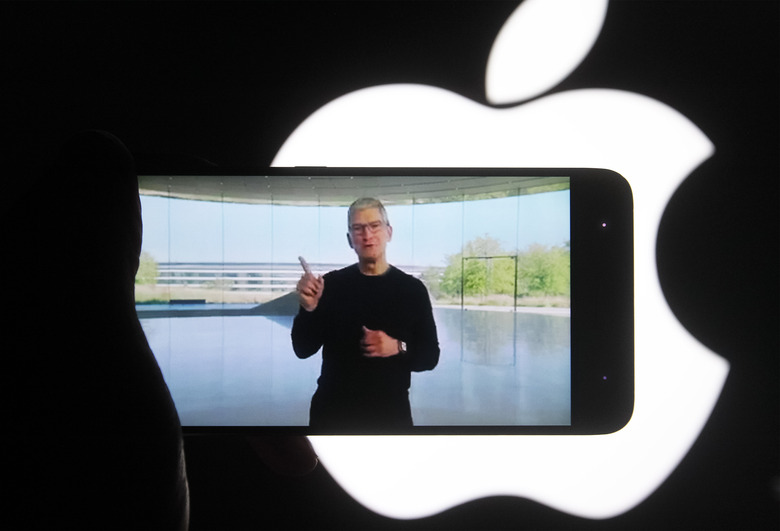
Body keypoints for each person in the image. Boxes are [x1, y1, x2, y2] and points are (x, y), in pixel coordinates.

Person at [292, 197, 440, 431]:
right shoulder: (329, 286)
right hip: (332, 417)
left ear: (389, 232)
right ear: (350, 239)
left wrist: (396, 347)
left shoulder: (412, 290)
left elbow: (430, 356)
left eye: (374, 226)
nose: (367, 235)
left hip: (391, 418)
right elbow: (302, 349)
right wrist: (309, 309)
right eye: (358, 228)